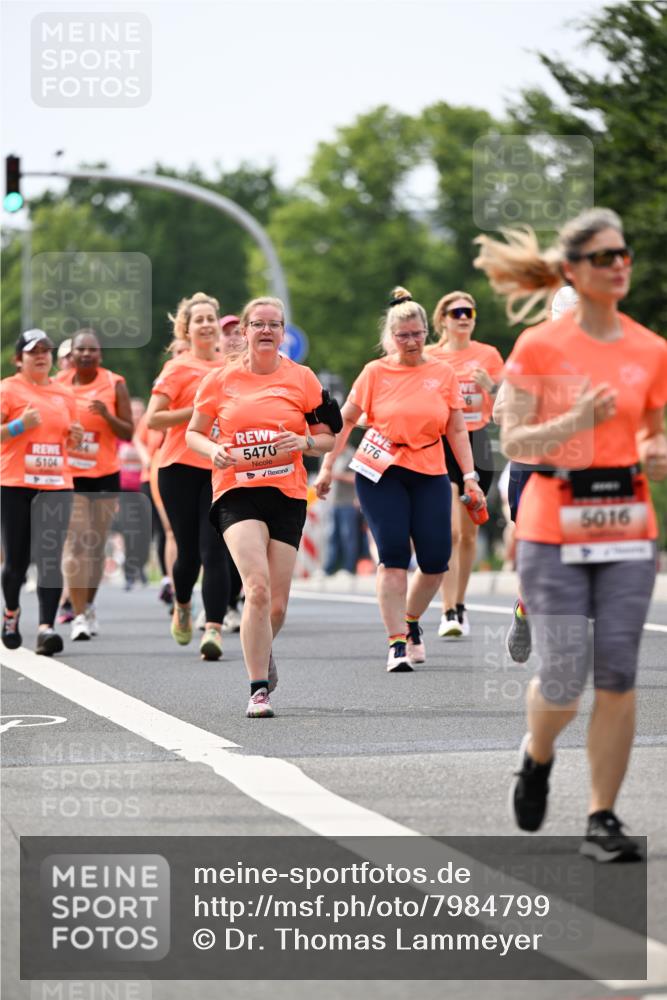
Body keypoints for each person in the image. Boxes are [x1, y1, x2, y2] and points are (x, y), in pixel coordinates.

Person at [476, 207, 667, 860]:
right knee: (562, 673)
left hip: (626, 525)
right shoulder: (539, 347)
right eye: (603, 257)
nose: (618, 266)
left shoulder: (650, 348)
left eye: (623, 254)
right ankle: (537, 755)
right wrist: (575, 420)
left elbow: (652, 433)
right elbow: (515, 442)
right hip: (552, 522)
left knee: (617, 674)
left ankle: (601, 818)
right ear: (571, 270)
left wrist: (655, 452)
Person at [315, 288, 485, 672]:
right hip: (382, 472)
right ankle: (396, 643)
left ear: (427, 332)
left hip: (430, 469)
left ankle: (410, 622)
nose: (411, 342)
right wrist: (327, 467)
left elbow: (457, 429)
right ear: (390, 337)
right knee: (393, 557)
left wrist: (470, 477)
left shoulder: (442, 373)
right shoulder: (375, 372)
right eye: (403, 335)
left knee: (436, 562)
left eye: (417, 334)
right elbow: (346, 420)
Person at [187, 296, 337, 717]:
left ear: (284, 332)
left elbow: (328, 438)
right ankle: (258, 690)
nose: (267, 330)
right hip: (237, 490)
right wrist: (214, 449)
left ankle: (262, 646)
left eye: (274, 324)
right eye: (258, 324)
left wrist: (304, 441)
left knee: (277, 605)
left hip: (287, 493)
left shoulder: (302, 378)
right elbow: (193, 433)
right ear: (245, 332)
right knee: (255, 586)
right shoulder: (219, 380)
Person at [147, 292, 229, 660]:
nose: (207, 324)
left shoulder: (232, 367)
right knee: (189, 553)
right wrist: (196, 412)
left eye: (211, 318)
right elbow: (153, 418)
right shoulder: (177, 368)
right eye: (199, 319)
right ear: (187, 328)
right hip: (178, 467)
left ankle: (213, 628)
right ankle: (182, 603)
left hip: (220, 467)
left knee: (216, 549)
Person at [503, 284, 580, 663]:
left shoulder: (605, 353)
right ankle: (526, 608)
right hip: (533, 465)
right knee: (538, 550)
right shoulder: (532, 349)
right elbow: (500, 411)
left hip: (585, 466)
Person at [426, 292, 504, 639]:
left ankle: (460, 603)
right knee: (451, 532)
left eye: (468, 312)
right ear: (442, 319)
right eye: (456, 312)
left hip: (478, 443)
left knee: (469, 533)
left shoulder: (488, 355)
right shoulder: (430, 356)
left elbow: (510, 404)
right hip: (442, 443)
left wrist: (492, 386)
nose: (463, 317)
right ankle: (448, 610)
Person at [1, 329, 83, 655]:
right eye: (33, 351)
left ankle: (46, 628)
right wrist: (19, 425)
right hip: (15, 482)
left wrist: (75, 438)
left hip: (55, 484)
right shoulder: (7, 389)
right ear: (18, 359)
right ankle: (11, 613)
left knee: (50, 557)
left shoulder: (65, 394)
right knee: (17, 561)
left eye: (46, 351)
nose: (41, 356)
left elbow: (68, 440)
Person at [55, 329, 134, 640]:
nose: (86, 354)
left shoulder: (115, 383)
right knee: (76, 542)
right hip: (70, 474)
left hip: (104, 474)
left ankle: (88, 605)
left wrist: (106, 416)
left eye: (92, 349)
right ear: (71, 354)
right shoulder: (58, 384)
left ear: (100, 354)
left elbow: (128, 432)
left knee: (96, 545)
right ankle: (77, 616)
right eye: (81, 349)